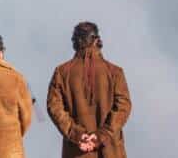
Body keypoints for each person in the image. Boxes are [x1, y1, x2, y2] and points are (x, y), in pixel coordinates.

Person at [47, 22, 132, 158]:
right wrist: (101, 135)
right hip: (111, 151)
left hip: (76, 152)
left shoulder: (61, 73)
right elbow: (123, 107)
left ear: (75, 43)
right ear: (96, 40)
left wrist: (77, 135)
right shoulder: (115, 72)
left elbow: (54, 108)